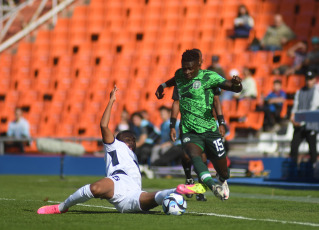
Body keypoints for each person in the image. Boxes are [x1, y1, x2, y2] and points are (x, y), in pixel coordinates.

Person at [37, 86, 206, 215]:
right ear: (120, 140)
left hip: (133, 192)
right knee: (95, 189)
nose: (131, 141)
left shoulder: (131, 152)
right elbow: (104, 125)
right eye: (128, 138)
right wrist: (111, 101)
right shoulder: (114, 145)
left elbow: (109, 129)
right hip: (118, 181)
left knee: (156, 197)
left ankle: (176, 191)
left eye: (133, 139)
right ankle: (61, 207)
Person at [155, 50, 243, 200]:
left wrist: (237, 84)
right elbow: (174, 80)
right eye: (184, 68)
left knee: (223, 171)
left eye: (190, 68)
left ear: (198, 66)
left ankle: (221, 180)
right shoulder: (180, 75)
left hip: (209, 129)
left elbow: (232, 87)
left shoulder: (209, 77)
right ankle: (211, 185)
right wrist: (162, 85)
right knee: (193, 155)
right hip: (189, 130)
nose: (187, 72)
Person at [171, 49, 226, 202]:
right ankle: (189, 178)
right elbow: (176, 101)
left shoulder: (210, 78)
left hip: (207, 125)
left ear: (200, 62)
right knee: (187, 155)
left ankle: (201, 188)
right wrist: (172, 124)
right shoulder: (181, 79)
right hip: (187, 126)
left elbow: (216, 101)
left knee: (201, 157)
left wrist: (221, 122)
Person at [290, 70, 319, 166]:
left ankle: (313, 167)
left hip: (311, 125)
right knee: (294, 146)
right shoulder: (299, 91)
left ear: (314, 80)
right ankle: (293, 167)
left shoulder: (317, 91)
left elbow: (313, 107)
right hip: (299, 125)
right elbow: (295, 107)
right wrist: (293, 118)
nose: (308, 81)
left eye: (310, 79)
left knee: (312, 148)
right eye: (307, 79)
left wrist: (300, 120)